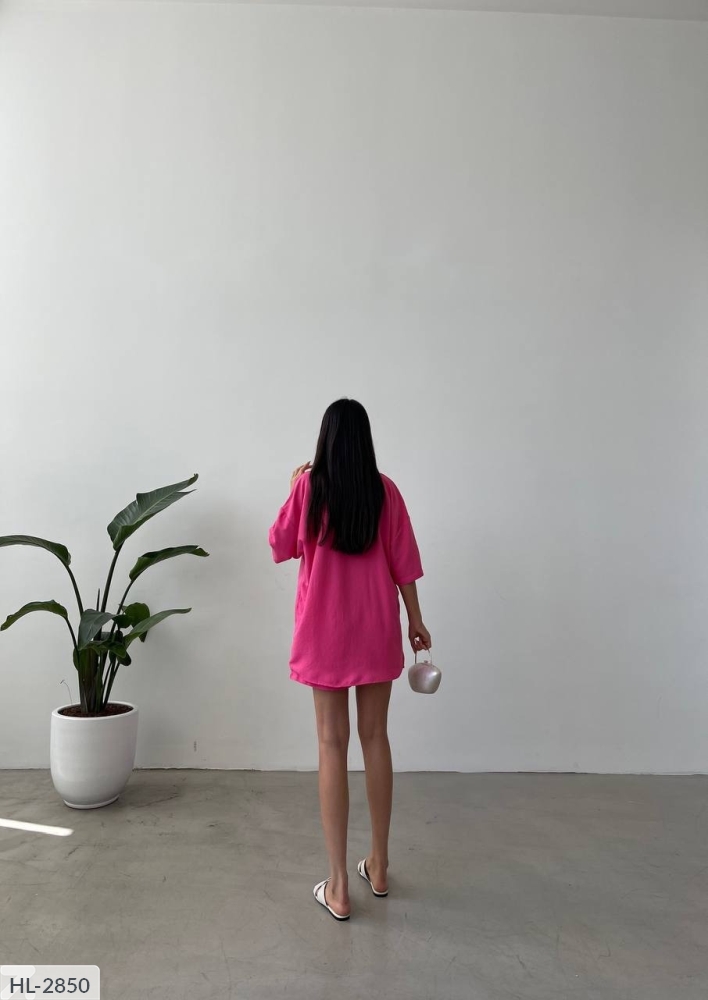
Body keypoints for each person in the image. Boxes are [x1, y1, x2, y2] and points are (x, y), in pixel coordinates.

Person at [268, 398, 431, 921]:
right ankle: (378, 865)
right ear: (364, 440)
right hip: (375, 629)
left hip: (324, 634)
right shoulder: (385, 491)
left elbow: (280, 545)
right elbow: (404, 564)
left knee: (330, 744)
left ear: (326, 440)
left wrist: (293, 486)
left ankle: (338, 885)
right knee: (376, 737)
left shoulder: (310, 489)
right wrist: (415, 620)